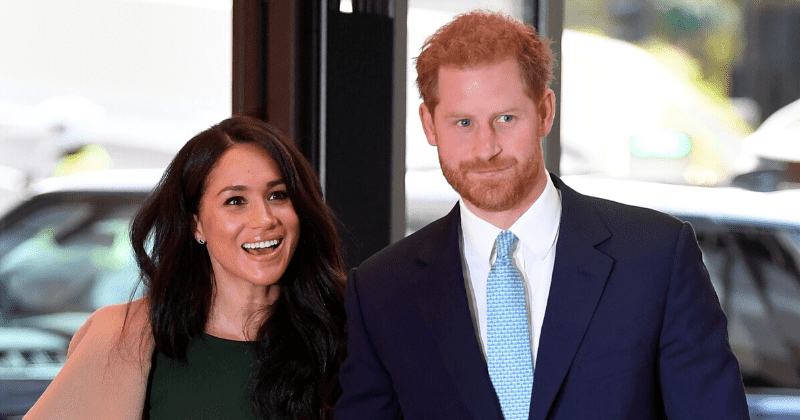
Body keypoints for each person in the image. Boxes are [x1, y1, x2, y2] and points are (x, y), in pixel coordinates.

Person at [335, 10, 749, 420]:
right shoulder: (380, 292)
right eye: (463, 122)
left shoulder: (657, 258)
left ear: (545, 111)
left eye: (505, 119)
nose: (486, 148)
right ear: (429, 124)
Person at [25, 116, 347, 419]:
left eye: (278, 195)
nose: (264, 219)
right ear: (196, 225)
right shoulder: (128, 336)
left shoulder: (343, 330)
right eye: (235, 201)